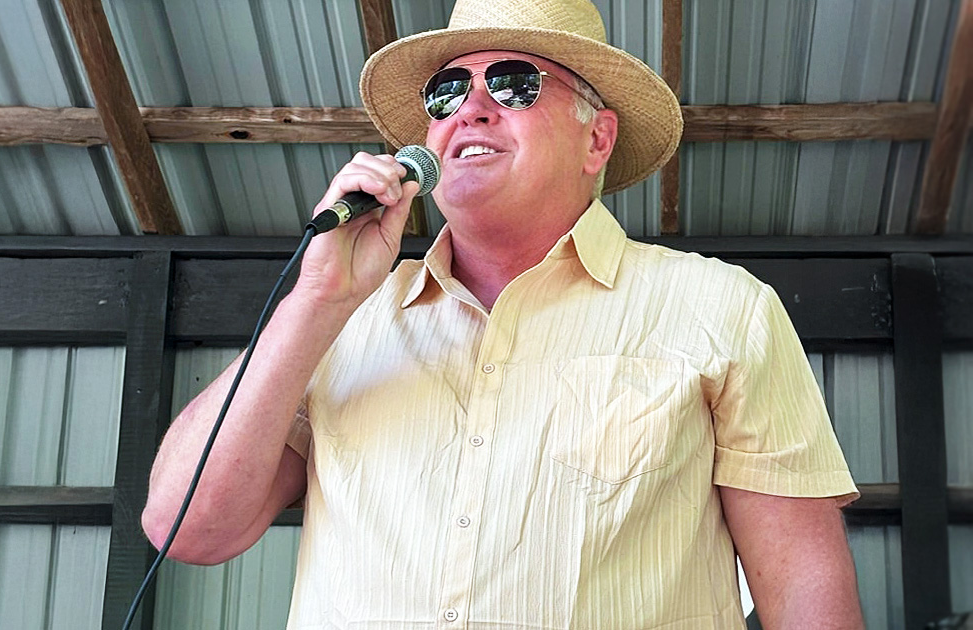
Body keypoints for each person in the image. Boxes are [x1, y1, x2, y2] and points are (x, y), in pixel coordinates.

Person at [143, 0, 864, 627]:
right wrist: (316, 303)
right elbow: (186, 529)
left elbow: (806, 591)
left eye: (516, 85)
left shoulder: (724, 309)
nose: (473, 108)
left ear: (597, 139)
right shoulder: (340, 318)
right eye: (448, 91)